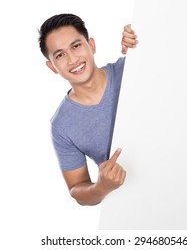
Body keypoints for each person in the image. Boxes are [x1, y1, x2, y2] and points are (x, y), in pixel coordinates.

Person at [38, 14, 138, 206]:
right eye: (60, 55)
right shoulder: (61, 125)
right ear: (52, 67)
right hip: (137, 204)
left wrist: (142, 37)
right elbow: (77, 188)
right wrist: (101, 187)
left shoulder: (131, 68)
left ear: (91, 45)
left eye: (76, 46)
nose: (72, 59)